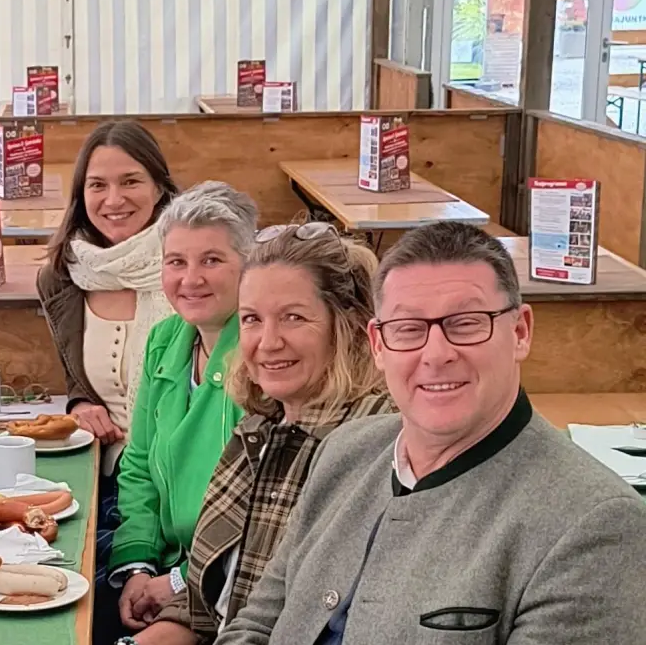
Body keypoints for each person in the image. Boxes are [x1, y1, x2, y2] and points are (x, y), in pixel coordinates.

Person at [215, 221, 646, 645]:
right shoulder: (344, 452)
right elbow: (256, 623)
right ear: (379, 346)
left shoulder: (596, 525)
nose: (436, 354)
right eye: (408, 329)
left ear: (520, 332)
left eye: (466, 322)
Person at [127, 223, 392, 645]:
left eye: (293, 317)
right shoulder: (261, 425)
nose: (268, 342)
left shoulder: (371, 444)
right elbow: (206, 602)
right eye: (252, 319)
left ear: (349, 325)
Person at [36, 118, 181, 626]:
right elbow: (80, 378)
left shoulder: (190, 269)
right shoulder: (65, 275)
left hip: (181, 480)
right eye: (97, 185)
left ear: (161, 186)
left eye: (131, 181)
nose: (113, 199)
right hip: (102, 475)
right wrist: (79, 404)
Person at [111, 181, 257, 635]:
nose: (189, 280)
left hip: (229, 584)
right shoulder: (165, 339)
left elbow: (260, 511)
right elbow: (137, 464)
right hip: (161, 563)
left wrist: (176, 580)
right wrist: (135, 564)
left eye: (211, 260)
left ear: (248, 267)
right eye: (176, 262)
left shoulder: (263, 355)